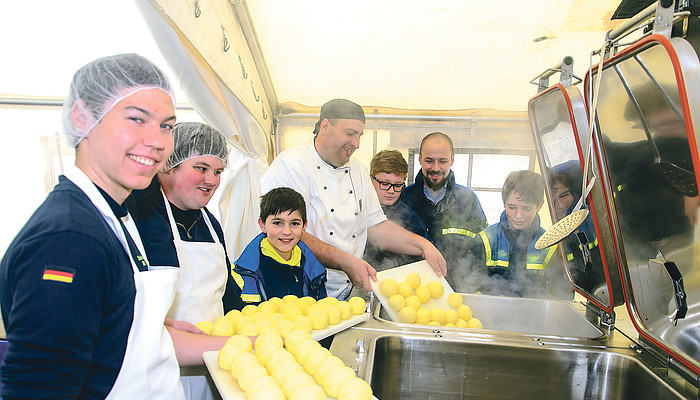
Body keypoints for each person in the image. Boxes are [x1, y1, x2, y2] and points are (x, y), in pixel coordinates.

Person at [260, 98, 446, 300]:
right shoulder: (292, 166)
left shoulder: (357, 170)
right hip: (297, 292)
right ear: (325, 126)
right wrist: (346, 262)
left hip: (345, 293)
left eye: (359, 136)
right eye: (350, 133)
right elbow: (286, 232)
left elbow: (376, 226)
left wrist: (424, 246)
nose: (356, 144)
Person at [126, 122, 243, 400]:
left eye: (217, 171)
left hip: (215, 367)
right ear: (168, 164)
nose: (213, 180)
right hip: (158, 370)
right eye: (201, 168)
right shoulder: (138, 215)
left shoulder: (211, 224)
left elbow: (228, 295)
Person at [400, 132, 488, 289]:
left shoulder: (469, 200)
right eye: (429, 161)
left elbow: (482, 251)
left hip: (457, 294)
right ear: (419, 159)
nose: (435, 168)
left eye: (442, 161)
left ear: (452, 160)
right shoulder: (403, 199)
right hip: (411, 296)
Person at [465, 170, 569, 299]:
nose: (519, 216)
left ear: (539, 205)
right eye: (512, 207)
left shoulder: (550, 246)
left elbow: (561, 295)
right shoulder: (485, 240)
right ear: (504, 203)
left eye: (526, 208)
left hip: (534, 317)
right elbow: (469, 288)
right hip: (489, 315)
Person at [232, 187, 327, 304]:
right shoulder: (241, 274)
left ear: (304, 226)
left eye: (295, 223)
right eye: (277, 223)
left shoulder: (314, 271)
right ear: (262, 225)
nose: (287, 231)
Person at [364, 150, 428, 271]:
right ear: (370, 179)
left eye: (398, 185)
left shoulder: (412, 221)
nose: (391, 191)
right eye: (385, 183)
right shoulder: (356, 211)